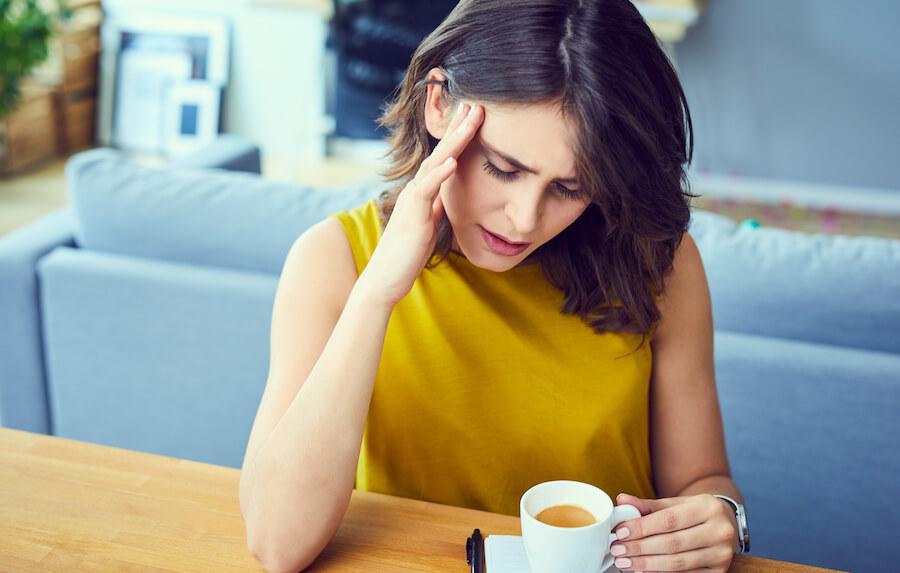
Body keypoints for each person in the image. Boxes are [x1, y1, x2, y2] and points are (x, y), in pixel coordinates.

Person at [240, 1, 745, 572]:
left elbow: (702, 480)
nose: (525, 219)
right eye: (504, 168)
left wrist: (720, 516)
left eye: (571, 188)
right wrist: (378, 291)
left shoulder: (661, 266)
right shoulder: (334, 261)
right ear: (438, 103)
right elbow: (278, 543)